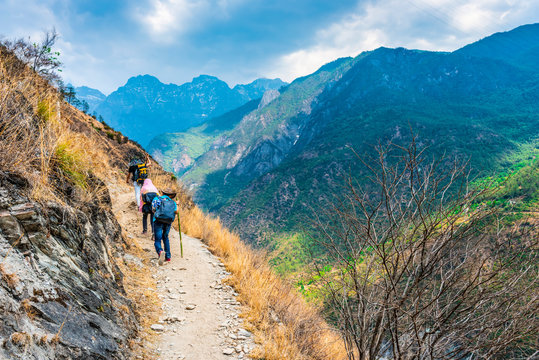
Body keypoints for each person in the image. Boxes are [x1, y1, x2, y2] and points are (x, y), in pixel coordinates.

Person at [152, 188, 178, 265]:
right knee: (165, 237)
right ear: (171, 195)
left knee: (157, 239)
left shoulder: (157, 198)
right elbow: (176, 212)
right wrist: (178, 204)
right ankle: (168, 257)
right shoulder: (173, 202)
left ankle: (160, 252)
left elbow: (153, 208)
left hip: (158, 220)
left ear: (163, 193)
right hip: (168, 221)